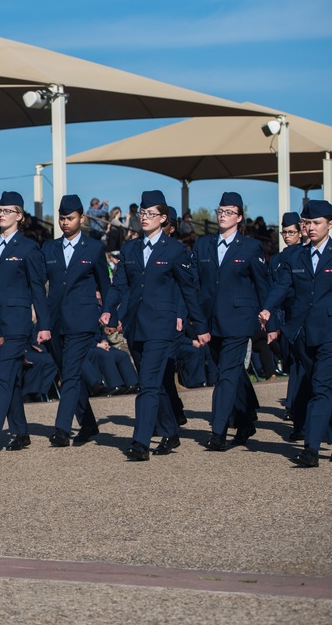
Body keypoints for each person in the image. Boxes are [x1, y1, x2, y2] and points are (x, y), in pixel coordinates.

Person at [100, 190, 210, 461]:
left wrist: (200, 326)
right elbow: (119, 285)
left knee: (147, 384)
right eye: (142, 213)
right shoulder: (130, 248)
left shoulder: (174, 250)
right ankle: (171, 432)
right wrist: (107, 310)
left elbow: (189, 291)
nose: (145, 218)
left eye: (151, 214)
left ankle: (140, 442)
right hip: (136, 325)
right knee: (157, 382)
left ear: (163, 218)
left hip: (162, 327)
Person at [192, 192, 274, 451]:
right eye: (220, 211)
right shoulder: (203, 244)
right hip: (211, 320)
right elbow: (195, 284)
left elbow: (263, 285)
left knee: (225, 376)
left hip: (239, 319)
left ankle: (218, 431)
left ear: (239, 217)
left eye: (229, 212)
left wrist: (269, 319)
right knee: (232, 371)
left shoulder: (250, 247)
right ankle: (246, 417)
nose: (223, 215)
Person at [0, 191, 48, 455]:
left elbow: (38, 290)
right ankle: (20, 431)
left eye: (8, 210)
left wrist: (44, 325)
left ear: (20, 216)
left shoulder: (29, 248)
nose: (2, 214)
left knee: (2, 377)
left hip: (16, 325)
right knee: (10, 379)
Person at [260, 200, 332, 467]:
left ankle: (311, 449)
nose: (311, 228)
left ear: (330, 224)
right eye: (307, 223)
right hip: (302, 332)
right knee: (320, 387)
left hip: (329, 332)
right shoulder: (295, 256)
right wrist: (268, 309)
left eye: (316, 223)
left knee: (322, 388)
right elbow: (281, 286)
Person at [42, 195, 112, 447]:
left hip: (83, 320)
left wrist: (109, 312)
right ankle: (89, 424)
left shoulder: (93, 248)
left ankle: (61, 429)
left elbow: (106, 285)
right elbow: (40, 285)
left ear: (81, 218)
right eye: (61, 218)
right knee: (68, 372)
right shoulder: (49, 249)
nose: (65, 223)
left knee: (70, 373)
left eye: (70, 218)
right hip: (55, 321)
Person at [271, 212, 307, 439]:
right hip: (283, 317)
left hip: (302, 317)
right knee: (291, 363)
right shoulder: (277, 259)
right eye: (284, 232)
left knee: (300, 367)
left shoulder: (304, 254)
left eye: (291, 232)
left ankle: (297, 414)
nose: (287, 236)